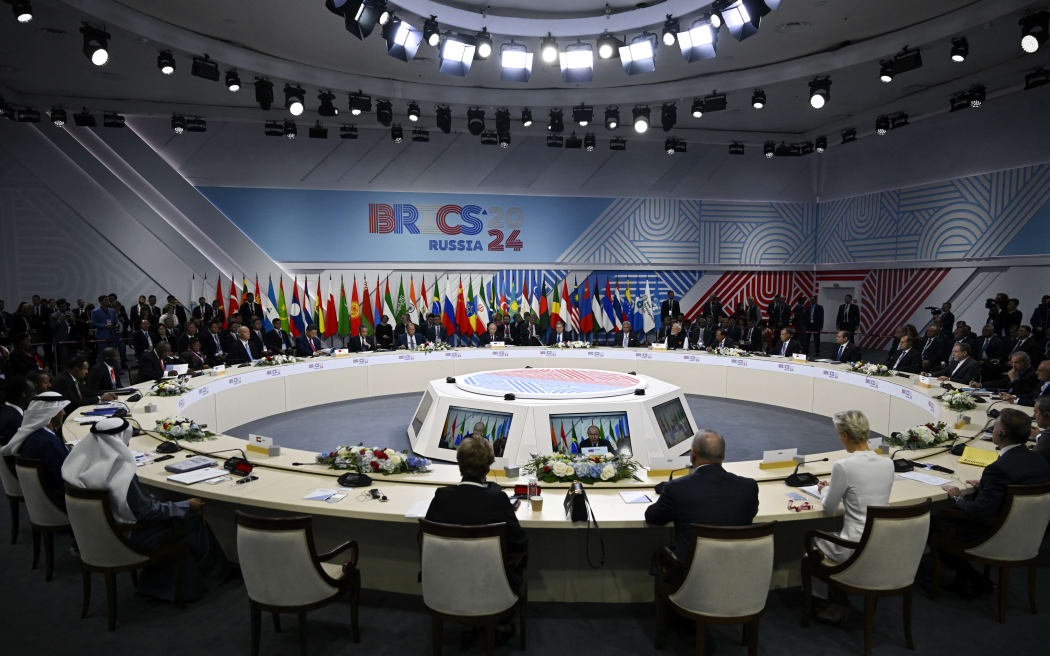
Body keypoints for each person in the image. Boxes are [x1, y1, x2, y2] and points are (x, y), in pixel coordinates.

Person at [62, 417, 228, 602]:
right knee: (193, 519)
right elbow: (147, 512)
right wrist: (184, 505)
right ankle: (215, 578)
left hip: (96, 536)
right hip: (128, 536)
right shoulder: (120, 472)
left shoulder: (78, 467)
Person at [935, 409, 1050, 596]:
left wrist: (957, 497)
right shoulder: (1040, 461)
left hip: (997, 532)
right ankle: (972, 578)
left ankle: (970, 578)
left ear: (1001, 434)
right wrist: (988, 486)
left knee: (939, 519)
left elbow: (979, 511)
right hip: (1030, 534)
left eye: (995, 427)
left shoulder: (997, 469)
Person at [424, 436, 527, 596]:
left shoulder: (442, 496)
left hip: (445, 585)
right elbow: (519, 542)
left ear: (459, 464)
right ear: (488, 467)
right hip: (492, 587)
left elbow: (426, 539)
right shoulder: (497, 499)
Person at [645, 430, 759, 562]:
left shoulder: (676, 489)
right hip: (739, 570)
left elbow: (652, 517)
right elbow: (751, 512)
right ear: (723, 455)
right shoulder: (748, 487)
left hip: (690, 576)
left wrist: (666, 493)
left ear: (693, 455)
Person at [813, 411, 894, 564]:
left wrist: (824, 490)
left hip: (852, 546)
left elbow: (829, 508)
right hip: (879, 543)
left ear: (845, 436)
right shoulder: (888, 463)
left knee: (814, 542)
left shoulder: (843, 466)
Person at [0, 392, 70, 507]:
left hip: (40, 499)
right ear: (51, 414)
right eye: (61, 409)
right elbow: (63, 480)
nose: (64, 413)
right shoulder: (49, 443)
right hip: (58, 502)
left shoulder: (30, 436)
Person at [53, 356, 118, 410]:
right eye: (85, 369)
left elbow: (88, 392)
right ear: (76, 369)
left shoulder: (76, 377)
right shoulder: (63, 381)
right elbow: (74, 403)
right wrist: (100, 398)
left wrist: (106, 394)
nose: (87, 372)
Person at [0, 377, 35, 446]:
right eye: (32, 391)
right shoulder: (16, 421)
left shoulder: (4, 411)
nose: (34, 395)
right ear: (23, 394)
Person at [90, 295, 119, 364]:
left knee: (113, 354)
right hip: (101, 336)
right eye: (105, 300)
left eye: (108, 299)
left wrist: (117, 324)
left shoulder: (112, 310)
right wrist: (104, 326)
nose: (107, 301)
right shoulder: (95, 311)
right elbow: (93, 323)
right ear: (100, 302)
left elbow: (115, 320)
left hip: (112, 335)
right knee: (102, 354)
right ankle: (100, 370)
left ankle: (114, 369)